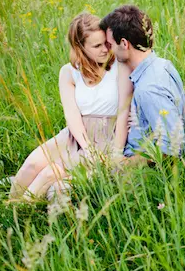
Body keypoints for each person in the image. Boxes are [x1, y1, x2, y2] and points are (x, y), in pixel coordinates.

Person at [9, 13, 133, 199]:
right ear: (80, 47)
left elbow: (124, 111)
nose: (105, 49)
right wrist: (86, 146)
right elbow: (72, 115)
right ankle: (8, 204)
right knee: (32, 165)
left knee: (50, 173)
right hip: (76, 135)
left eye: (106, 43)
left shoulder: (119, 67)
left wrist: (113, 152)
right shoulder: (69, 72)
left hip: (107, 136)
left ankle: (20, 210)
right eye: (97, 46)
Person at [99, 5, 185, 161]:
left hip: (137, 170)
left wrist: (123, 165)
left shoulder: (149, 88)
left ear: (125, 44)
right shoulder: (162, 64)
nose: (108, 50)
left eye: (110, 45)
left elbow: (172, 147)